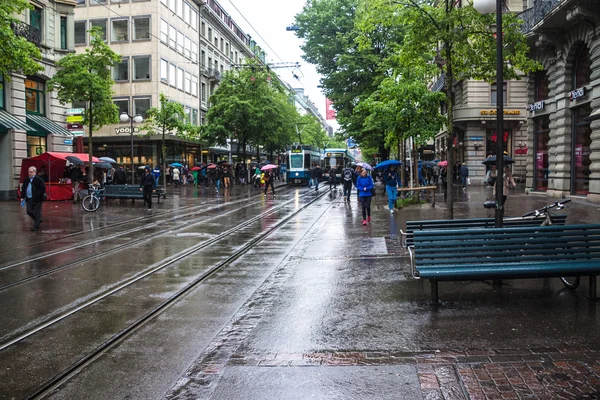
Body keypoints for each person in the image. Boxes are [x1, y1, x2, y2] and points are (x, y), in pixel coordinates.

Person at [21, 166, 46, 231]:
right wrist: (22, 197)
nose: (30, 174)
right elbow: (23, 189)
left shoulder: (39, 180)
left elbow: (43, 189)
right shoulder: (26, 180)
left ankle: (36, 226)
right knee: (29, 211)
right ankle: (38, 220)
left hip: (37, 199)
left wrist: (38, 195)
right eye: (29, 172)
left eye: (31, 172)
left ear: (35, 172)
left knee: (37, 212)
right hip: (29, 198)